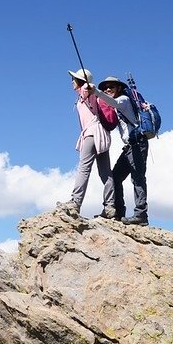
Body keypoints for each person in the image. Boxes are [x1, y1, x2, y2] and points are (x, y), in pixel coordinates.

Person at [88, 76, 149, 226]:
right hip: (130, 146)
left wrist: (96, 91)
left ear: (119, 89)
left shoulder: (123, 100)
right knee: (115, 177)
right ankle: (119, 212)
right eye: (106, 87)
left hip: (137, 144)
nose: (108, 89)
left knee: (138, 178)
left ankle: (141, 215)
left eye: (112, 87)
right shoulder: (118, 105)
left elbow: (113, 102)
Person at [57, 68, 116, 219]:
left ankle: (75, 202)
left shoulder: (86, 93)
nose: (72, 82)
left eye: (74, 79)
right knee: (105, 172)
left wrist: (88, 86)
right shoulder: (86, 97)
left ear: (80, 82)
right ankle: (110, 207)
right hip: (101, 136)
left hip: (91, 134)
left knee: (84, 168)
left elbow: (87, 89)